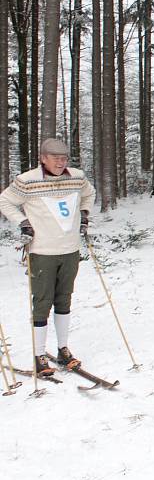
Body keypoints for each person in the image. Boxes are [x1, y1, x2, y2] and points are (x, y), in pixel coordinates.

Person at [0, 138, 96, 376]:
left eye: (64, 158)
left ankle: (63, 349)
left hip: (70, 249)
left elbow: (89, 194)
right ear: (43, 158)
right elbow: (5, 200)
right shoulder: (27, 181)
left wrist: (84, 214)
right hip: (43, 251)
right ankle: (39, 355)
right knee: (42, 302)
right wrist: (22, 222)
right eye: (55, 158)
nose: (60, 163)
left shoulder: (76, 176)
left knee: (64, 299)